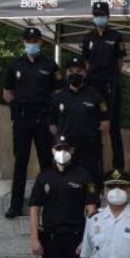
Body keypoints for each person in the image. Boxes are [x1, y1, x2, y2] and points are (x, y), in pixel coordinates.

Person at [2, 26, 60, 218]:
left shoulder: (50, 66)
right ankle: (15, 206)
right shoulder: (14, 65)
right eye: (28, 41)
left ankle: (50, 204)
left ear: (41, 42)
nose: (31, 44)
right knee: (20, 162)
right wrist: (18, 105)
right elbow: (7, 92)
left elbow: (58, 93)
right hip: (22, 118)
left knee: (46, 162)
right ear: (24, 42)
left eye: (35, 41)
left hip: (43, 118)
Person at [49, 57, 109, 190]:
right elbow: (53, 127)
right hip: (66, 149)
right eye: (71, 71)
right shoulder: (57, 97)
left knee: (91, 183)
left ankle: (93, 209)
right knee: (65, 183)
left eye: (79, 71)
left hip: (89, 147)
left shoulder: (95, 95)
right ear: (66, 73)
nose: (75, 74)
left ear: (85, 73)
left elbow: (105, 124)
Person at [81, 0, 128, 170]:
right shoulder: (88, 38)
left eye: (102, 15)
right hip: (93, 85)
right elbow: (85, 61)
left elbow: (120, 59)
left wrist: (114, 77)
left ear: (108, 16)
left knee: (113, 126)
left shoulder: (116, 36)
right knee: (95, 127)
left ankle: (118, 169)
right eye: (96, 15)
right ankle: (95, 169)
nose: (99, 17)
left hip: (111, 84)